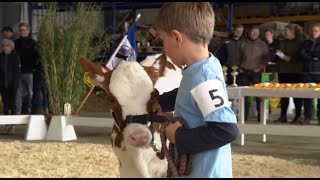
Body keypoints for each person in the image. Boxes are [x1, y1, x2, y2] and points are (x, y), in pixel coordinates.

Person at [154, 2, 239, 178]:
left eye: (163, 39)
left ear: (177, 38)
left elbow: (225, 130)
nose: (163, 47)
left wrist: (178, 136)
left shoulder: (204, 76)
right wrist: (162, 101)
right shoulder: (202, 66)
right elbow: (192, 94)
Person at [236, 25, 269, 122]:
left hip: (256, 72)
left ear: (258, 33)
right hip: (244, 72)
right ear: (249, 33)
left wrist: (259, 68)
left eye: (256, 32)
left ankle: (260, 117)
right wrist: (239, 68)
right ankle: (243, 116)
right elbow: (237, 57)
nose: (253, 34)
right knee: (244, 96)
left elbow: (266, 59)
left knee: (258, 95)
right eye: (252, 32)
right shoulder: (242, 43)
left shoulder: (263, 44)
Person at [273, 23, 305, 124]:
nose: (284, 33)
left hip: (296, 71)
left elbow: (301, 55)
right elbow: (278, 52)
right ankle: (283, 116)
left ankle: (298, 116)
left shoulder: (301, 42)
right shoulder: (282, 42)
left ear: (292, 32)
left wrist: (290, 58)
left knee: (297, 95)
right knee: (283, 95)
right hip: (283, 70)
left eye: (286, 31)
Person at [14, 22, 38, 115]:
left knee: (30, 94)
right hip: (18, 73)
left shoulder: (33, 43)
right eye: (21, 30)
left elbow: (36, 57)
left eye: (24, 30)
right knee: (18, 94)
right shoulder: (15, 43)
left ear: (28, 31)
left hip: (29, 72)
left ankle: (29, 113)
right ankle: (18, 114)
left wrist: (34, 68)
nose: (22, 32)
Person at [299, 23, 320, 125]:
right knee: (307, 96)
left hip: (318, 73)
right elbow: (301, 54)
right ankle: (307, 117)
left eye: (316, 31)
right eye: (312, 30)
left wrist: (310, 54)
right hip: (307, 72)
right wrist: (312, 57)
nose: (313, 32)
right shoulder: (306, 42)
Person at [0, 39, 21, 135]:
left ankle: (13, 126)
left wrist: (15, 84)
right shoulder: (0, 57)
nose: (5, 47)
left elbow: (17, 72)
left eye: (7, 46)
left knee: (13, 105)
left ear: (11, 48)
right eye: (3, 46)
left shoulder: (15, 57)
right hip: (3, 85)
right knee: (5, 104)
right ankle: (6, 125)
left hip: (13, 85)